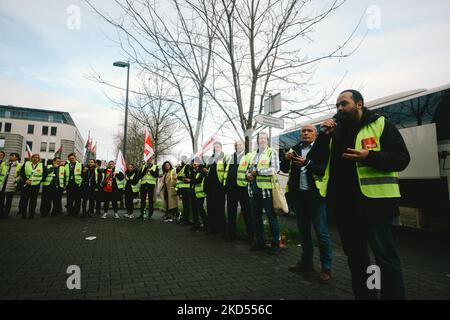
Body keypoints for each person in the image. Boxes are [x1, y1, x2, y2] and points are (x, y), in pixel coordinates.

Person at [308, 89, 410, 299]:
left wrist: (369, 156)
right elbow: (315, 159)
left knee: (385, 260)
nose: (339, 109)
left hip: (376, 206)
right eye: (337, 105)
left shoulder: (380, 124)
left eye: (344, 104)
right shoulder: (334, 132)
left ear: (359, 104)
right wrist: (322, 135)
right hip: (346, 209)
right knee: (357, 260)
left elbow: (401, 158)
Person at [281, 125, 333, 283]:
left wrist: (307, 163)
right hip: (299, 197)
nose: (305, 133)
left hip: (315, 196)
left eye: (309, 131)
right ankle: (306, 263)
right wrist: (286, 159)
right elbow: (284, 168)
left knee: (321, 233)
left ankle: (326, 268)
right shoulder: (294, 148)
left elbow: (323, 169)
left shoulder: (321, 148)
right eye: (303, 131)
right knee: (303, 232)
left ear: (315, 135)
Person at [246, 132, 281, 255]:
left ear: (267, 140)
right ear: (257, 141)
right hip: (254, 192)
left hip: (267, 192)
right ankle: (260, 241)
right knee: (256, 218)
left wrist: (258, 172)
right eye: (260, 138)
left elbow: (275, 168)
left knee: (272, 219)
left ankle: (275, 244)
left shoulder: (272, 152)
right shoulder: (253, 155)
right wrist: (248, 175)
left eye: (264, 138)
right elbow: (249, 170)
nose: (262, 140)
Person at [223, 140, 253, 242]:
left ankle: (250, 236)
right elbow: (226, 170)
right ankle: (231, 234)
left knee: (247, 212)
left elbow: (251, 168)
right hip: (231, 188)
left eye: (240, 145)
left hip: (242, 187)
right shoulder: (230, 157)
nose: (238, 146)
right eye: (236, 145)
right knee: (231, 212)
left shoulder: (248, 156)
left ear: (243, 146)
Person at [203, 142, 226, 235]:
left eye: (218, 147)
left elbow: (225, 171)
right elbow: (207, 169)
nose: (216, 148)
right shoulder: (210, 158)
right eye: (214, 147)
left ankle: (221, 229)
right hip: (210, 187)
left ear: (221, 148)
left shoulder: (224, 157)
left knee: (219, 208)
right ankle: (212, 229)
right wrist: (206, 170)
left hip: (219, 186)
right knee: (210, 208)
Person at [19, 153, 46, 219]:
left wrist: (40, 181)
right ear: (32, 158)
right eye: (34, 157)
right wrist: (25, 180)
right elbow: (22, 172)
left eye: (37, 157)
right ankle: (23, 214)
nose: (35, 158)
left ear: (39, 159)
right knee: (24, 200)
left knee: (33, 200)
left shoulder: (42, 165)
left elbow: (45, 174)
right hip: (26, 185)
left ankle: (31, 214)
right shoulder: (26, 163)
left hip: (35, 186)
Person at [0, 153, 21, 219]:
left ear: (16, 158)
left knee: (9, 201)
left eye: (12, 156)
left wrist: (15, 180)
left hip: (11, 184)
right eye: (10, 155)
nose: (11, 157)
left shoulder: (19, 165)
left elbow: (20, 175)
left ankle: (6, 214)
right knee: (1, 200)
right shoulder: (4, 163)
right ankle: (1, 213)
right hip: (2, 184)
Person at [190, 158, 208, 231]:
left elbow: (199, 180)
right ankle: (196, 225)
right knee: (194, 209)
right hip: (194, 192)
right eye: (193, 163)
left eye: (195, 163)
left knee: (201, 209)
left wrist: (190, 180)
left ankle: (206, 225)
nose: (194, 164)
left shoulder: (201, 171)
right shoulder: (194, 171)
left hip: (200, 193)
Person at [176, 156, 192, 225]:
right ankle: (184, 218)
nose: (183, 161)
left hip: (186, 188)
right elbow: (180, 176)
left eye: (184, 159)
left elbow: (187, 177)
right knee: (184, 205)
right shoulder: (182, 167)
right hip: (182, 188)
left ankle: (186, 220)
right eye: (182, 159)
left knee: (186, 205)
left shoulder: (187, 166)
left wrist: (180, 177)